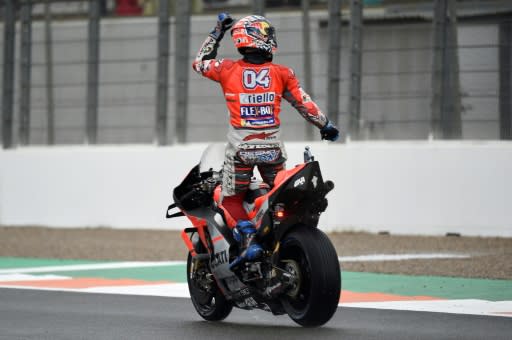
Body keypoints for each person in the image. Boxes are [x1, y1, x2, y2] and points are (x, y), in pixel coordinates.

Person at [192, 13, 339, 268]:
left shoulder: (225, 69)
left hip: (241, 152)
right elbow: (304, 104)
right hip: (273, 152)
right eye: (268, 34)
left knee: (230, 200)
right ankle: (281, 238)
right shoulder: (283, 73)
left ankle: (249, 236)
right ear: (259, 38)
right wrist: (325, 125)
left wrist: (217, 32)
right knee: (278, 196)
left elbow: (200, 62)